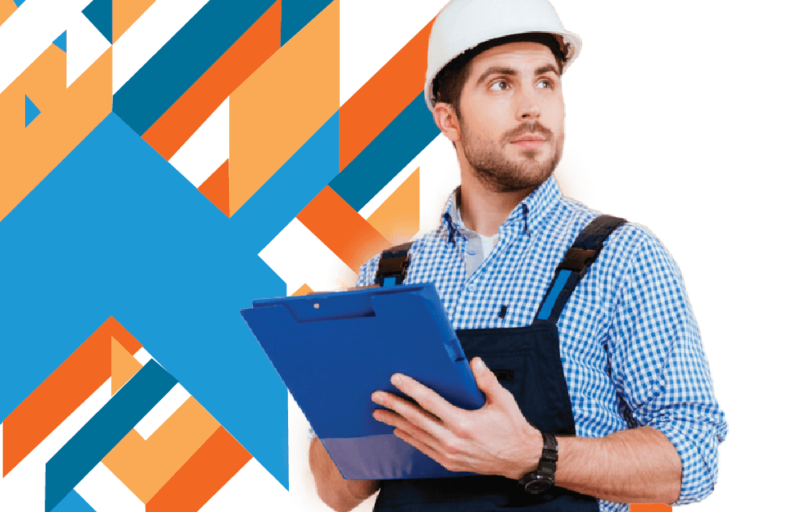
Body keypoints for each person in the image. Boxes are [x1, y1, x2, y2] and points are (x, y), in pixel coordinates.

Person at [309, 0, 727, 510]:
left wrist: (532, 454)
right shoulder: (385, 279)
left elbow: (695, 459)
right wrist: (347, 392)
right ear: (449, 119)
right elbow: (336, 491)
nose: (531, 106)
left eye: (545, 82)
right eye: (501, 84)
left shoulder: (623, 259)